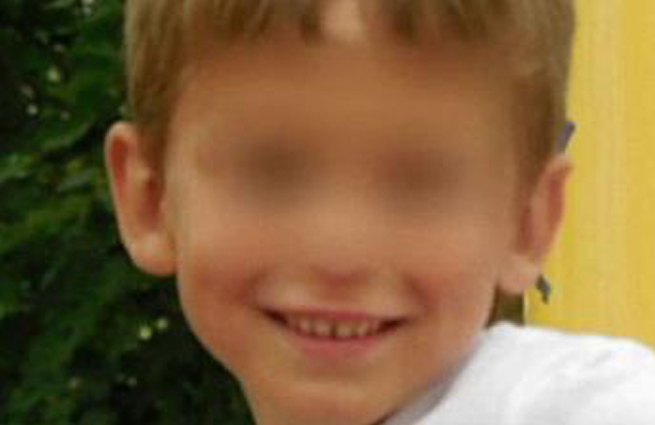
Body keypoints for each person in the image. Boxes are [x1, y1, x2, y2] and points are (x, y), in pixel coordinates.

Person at [104, 1, 655, 424]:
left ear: (528, 222)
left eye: (419, 182)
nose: (340, 250)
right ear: (150, 199)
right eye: (271, 171)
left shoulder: (572, 402)